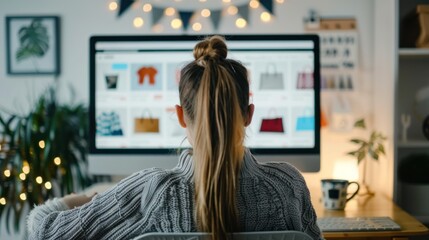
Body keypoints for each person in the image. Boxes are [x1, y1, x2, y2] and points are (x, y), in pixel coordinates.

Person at [27, 35, 322, 240]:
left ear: (181, 116)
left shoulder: (151, 191)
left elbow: (43, 231)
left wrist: (83, 199)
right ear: (248, 114)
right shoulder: (289, 185)